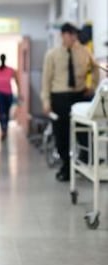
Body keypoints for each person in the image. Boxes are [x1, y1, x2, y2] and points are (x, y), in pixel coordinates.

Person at [41, 22, 99, 181]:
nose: (74, 38)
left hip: (79, 97)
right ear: (63, 35)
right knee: (62, 134)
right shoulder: (52, 54)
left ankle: (85, 164)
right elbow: (46, 80)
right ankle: (66, 166)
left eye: (75, 34)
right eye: (71, 34)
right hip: (59, 97)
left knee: (84, 133)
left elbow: (95, 68)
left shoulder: (84, 52)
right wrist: (46, 102)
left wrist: (92, 87)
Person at [0, 54, 20, 140]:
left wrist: (19, 91)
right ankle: (3, 130)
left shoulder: (11, 70)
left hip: (8, 94)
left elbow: (16, 80)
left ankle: (5, 128)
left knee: (6, 112)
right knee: (1, 111)